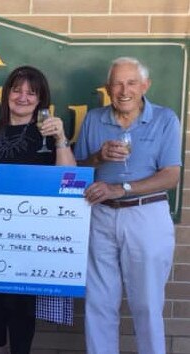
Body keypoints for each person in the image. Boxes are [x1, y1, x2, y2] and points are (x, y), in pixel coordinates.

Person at [74, 57, 181, 354]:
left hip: (146, 216)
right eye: (118, 83)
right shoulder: (95, 119)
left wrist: (121, 189)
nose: (124, 90)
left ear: (145, 85)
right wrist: (97, 157)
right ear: (108, 88)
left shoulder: (165, 119)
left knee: (147, 304)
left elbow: (171, 176)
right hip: (101, 216)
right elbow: (78, 168)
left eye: (131, 83)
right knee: (99, 302)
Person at [0, 65, 76, 354]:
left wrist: (61, 139)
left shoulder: (49, 134)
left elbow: (67, 180)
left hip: (31, 234)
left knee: (22, 302)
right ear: (6, 94)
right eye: (17, 90)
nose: (22, 97)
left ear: (41, 99)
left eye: (31, 93)